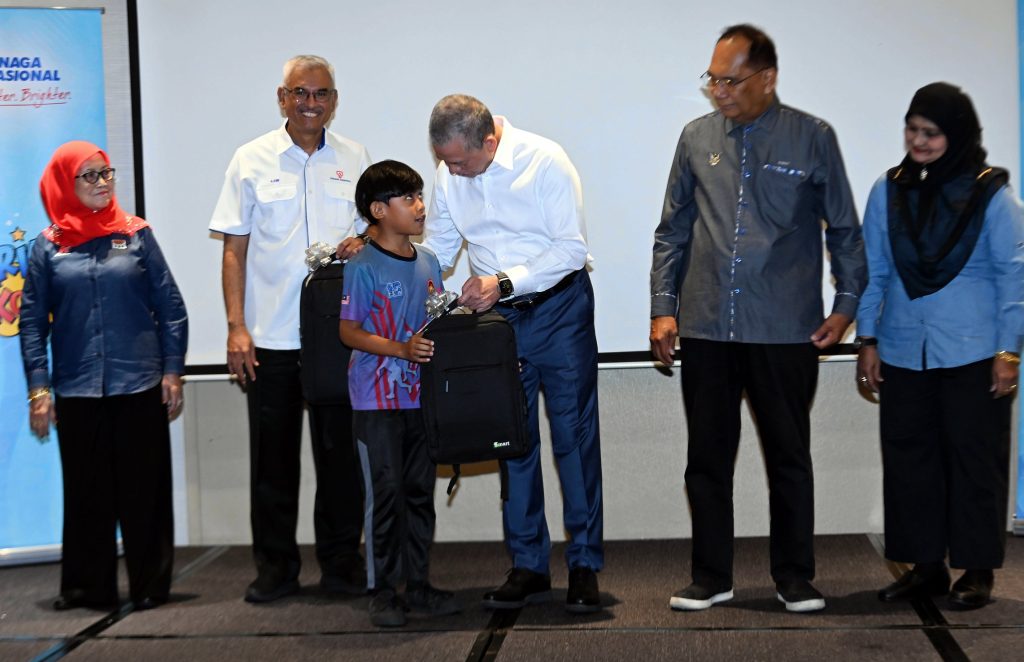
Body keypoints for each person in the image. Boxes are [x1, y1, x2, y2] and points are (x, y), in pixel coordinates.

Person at [649, 24, 865, 613]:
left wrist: (847, 305)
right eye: (712, 79)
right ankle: (710, 577)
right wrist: (663, 309)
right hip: (707, 325)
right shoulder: (695, 138)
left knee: (788, 457)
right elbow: (672, 230)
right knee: (706, 459)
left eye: (731, 80)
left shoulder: (813, 137)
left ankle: (794, 577)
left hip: (785, 328)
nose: (719, 91)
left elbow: (845, 230)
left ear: (767, 78)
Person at [422, 94, 603, 614]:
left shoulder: (545, 161)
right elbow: (440, 248)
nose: (452, 171)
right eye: (445, 162)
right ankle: (528, 565)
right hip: (498, 325)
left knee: (573, 438)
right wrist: (388, 255)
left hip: (559, 309)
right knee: (511, 439)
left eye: (460, 162)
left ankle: (584, 563)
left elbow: (571, 249)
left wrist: (503, 281)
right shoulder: (448, 172)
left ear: (490, 141)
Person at [856, 82, 1024, 610]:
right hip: (904, 349)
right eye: (912, 130)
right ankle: (924, 568)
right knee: (909, 461)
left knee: (975, 460)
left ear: (957, 134)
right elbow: (873, 271)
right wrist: (867, 338)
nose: (919, 141)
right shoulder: (887, 190)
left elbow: (1013, 277)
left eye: (931, 132)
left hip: (975, 352)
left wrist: (1009, 351)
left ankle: (976, 571)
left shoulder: (991, 194)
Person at [209, 55, 370, 603]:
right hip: (270, 338)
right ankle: (275, 569)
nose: (310, 103)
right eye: (300, 93)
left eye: (321, 94)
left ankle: (342, 564)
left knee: (340, 460)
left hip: (338, 338)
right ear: (282, 98)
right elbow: (234, 250)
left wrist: (363, 240)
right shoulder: (250, 159)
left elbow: (375, 235)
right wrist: (236, 326)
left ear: (334, 100)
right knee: (271, 463)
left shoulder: (355, 157)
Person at [20, 140, 188, 611]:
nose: (102, 183)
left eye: (106, 173)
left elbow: (171, 308)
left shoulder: (136, 235)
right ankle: (86, 588)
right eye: (89, 175)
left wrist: (173, 371)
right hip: (77, 388)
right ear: (64, 182)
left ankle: (150, 585)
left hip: (139, 383)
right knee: (87, 493)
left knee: (145, 491)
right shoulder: (47, 247)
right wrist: (38, 389)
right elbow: (31, 324)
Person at [339, 160, 460, 627]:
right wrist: (400, 349)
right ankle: (384, 592)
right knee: (386, 494)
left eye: (420, 196)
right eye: (408, 198)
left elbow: (435, 320)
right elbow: (349, 331)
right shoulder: (362, 264)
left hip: (420, 400)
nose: (420, 206)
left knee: (419, 494)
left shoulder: (428, 261)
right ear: (378, 210)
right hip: (376, 401)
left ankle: (419, 585)